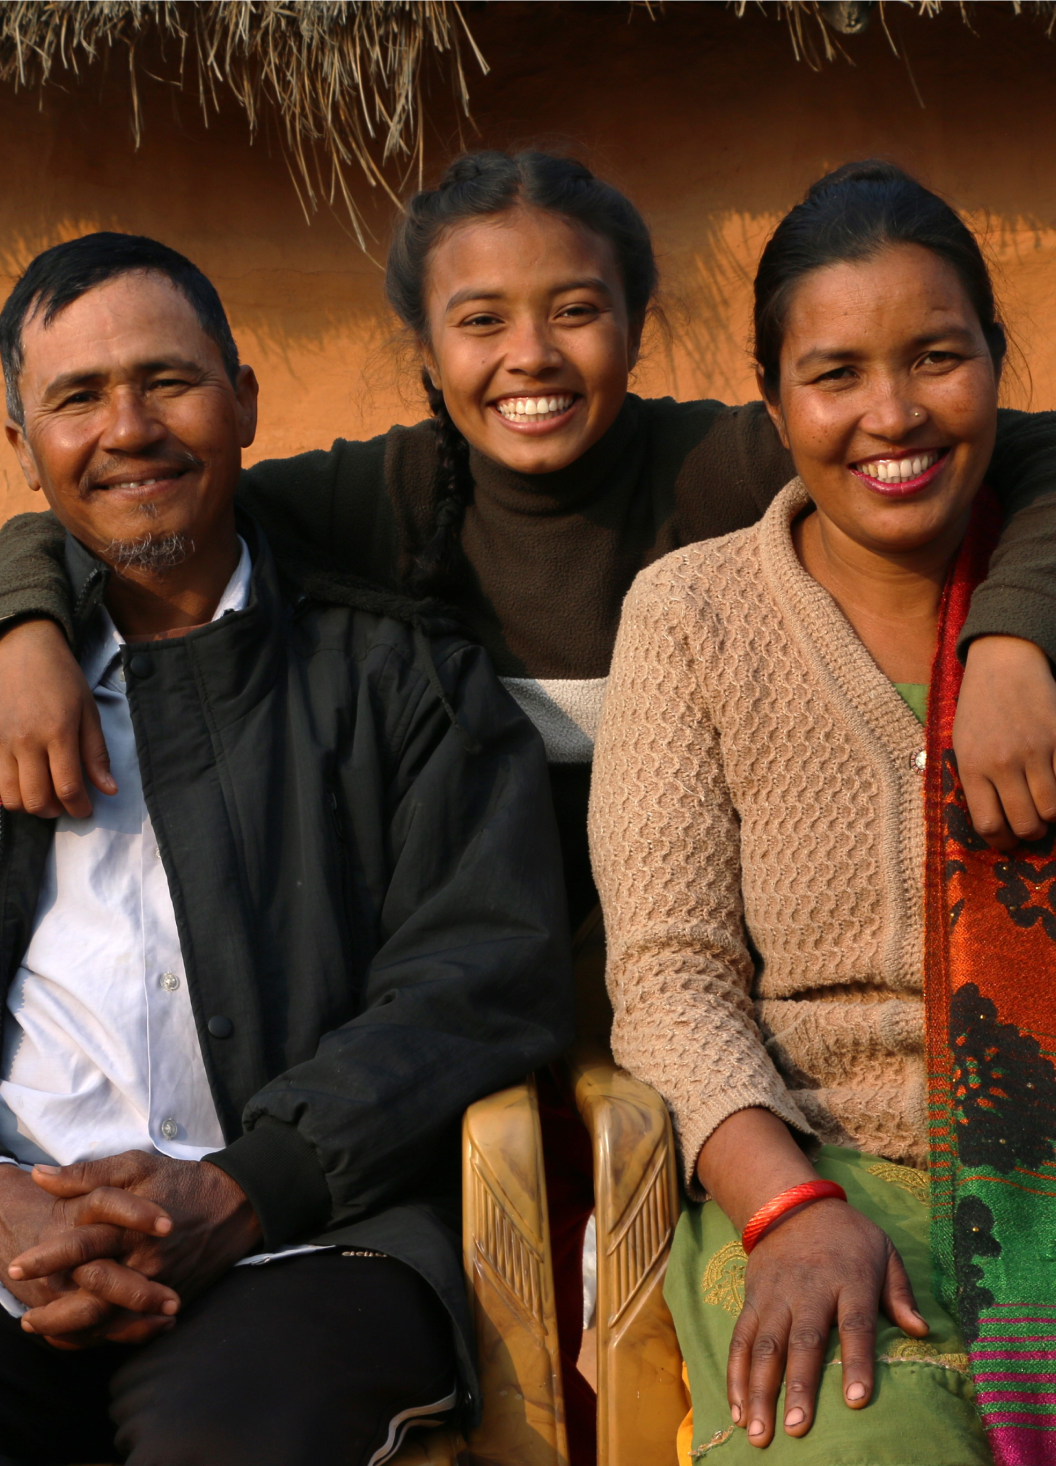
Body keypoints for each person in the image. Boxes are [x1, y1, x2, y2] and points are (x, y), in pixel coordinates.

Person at [3, 151, 1056, 1457]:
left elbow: (1004, 437)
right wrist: (24, 605)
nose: (532, 355)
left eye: (576, 307)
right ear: (426, 352)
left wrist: (1012, 634)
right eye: (480, 319)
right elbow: (124, 502)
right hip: (632, 1028)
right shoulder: (375, 495)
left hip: (596, 1029)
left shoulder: (721, 467)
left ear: (639, 321)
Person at [0, 232, 572, 1466]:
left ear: (245, 399)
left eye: (168, 380)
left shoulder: (404, 677)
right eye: (78, 397)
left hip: (306, 1238)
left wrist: (253, 1178)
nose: (130, 427)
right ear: (23, 446)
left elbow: (483, 972)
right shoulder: (11, 678)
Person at [588, 160, 1056, 1465]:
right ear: (775, 401)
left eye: (938, 357)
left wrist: (1022, 640)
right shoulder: (691, 618)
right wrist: (783, 1203)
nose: (893, 412)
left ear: (1000, 365)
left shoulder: (1046, 579)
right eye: (837, 372)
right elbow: (671, 979)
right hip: (831, 1168)